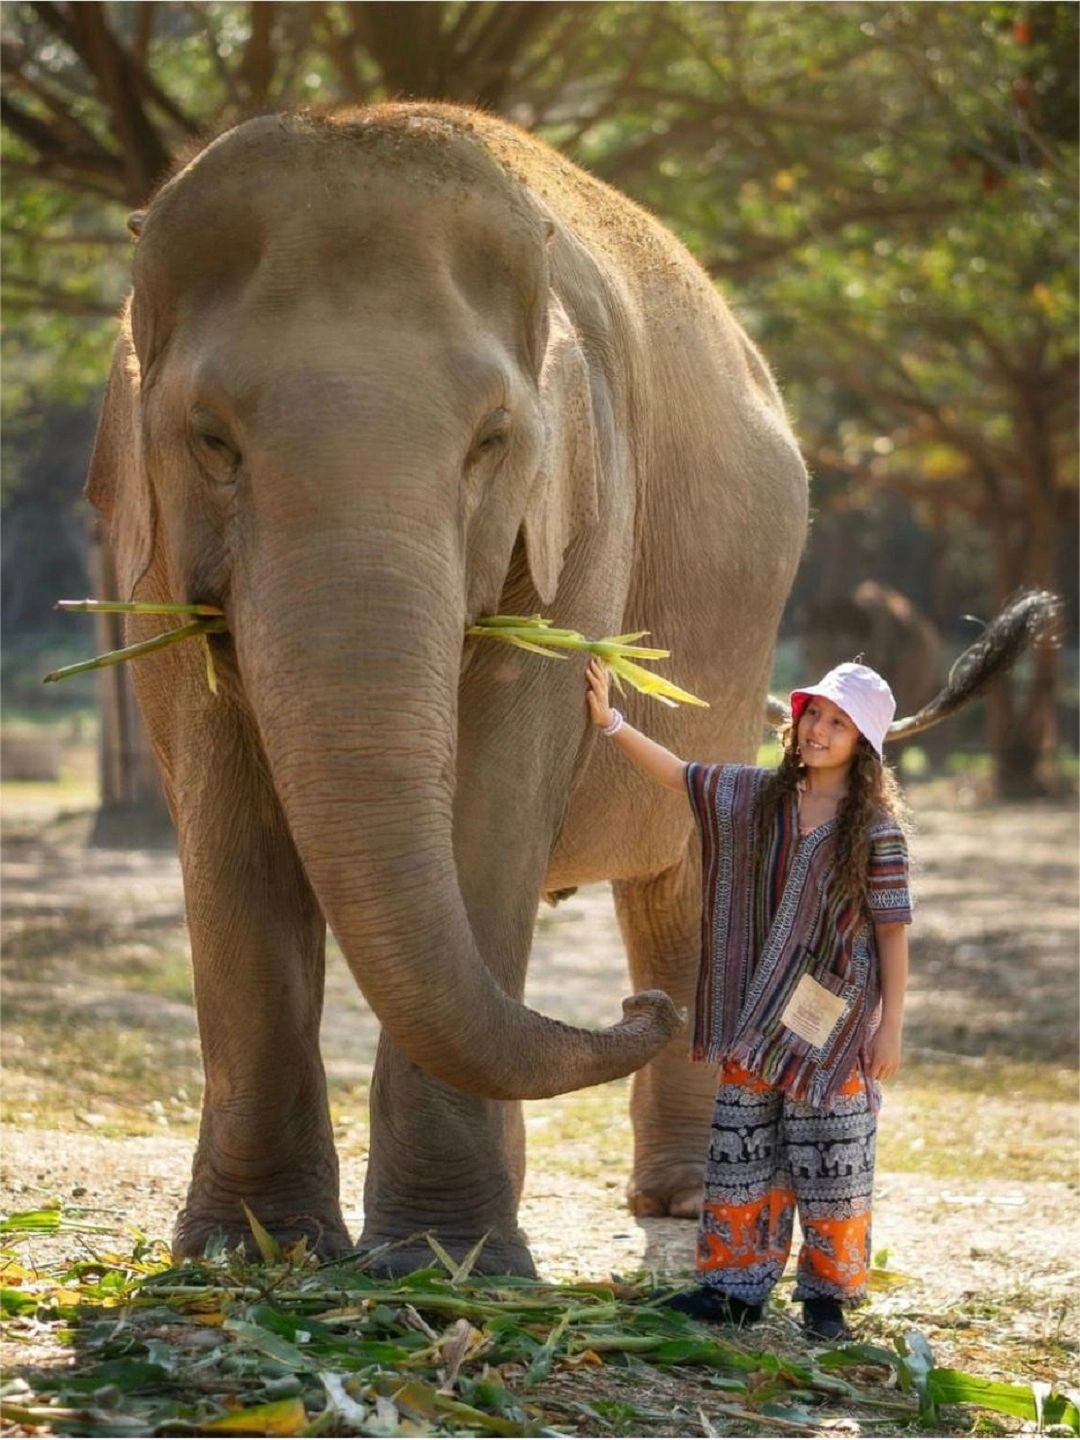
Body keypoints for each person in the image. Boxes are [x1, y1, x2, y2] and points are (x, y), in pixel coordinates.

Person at [585, 657, 912, 1342]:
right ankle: (733, 1291)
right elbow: (682, 776)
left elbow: (891, 929)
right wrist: (610, 721)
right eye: (813, 715)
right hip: (755, 1016)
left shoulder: (877, 828)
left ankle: (825, 1303)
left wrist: (890, 1029)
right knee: (741, 1152)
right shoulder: (758, 796)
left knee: (832, 1162)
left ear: (864, 743)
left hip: (836, 1024)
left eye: (837, 723)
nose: (818, 731)